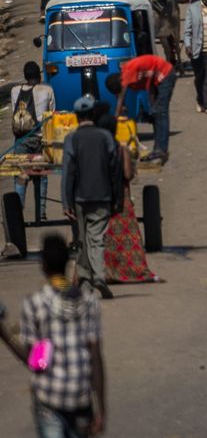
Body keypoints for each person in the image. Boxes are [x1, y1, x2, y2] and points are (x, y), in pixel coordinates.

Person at [0, 234, 107, 437]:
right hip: (81, 399)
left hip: (50, 400)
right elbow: (96, 358)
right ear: (68, 262)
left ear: (43, 266)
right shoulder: (89, 303)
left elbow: (37, 363)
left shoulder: (37, 305)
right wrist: (101, 409)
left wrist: (5, 334)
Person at [61, 95, 120, 299]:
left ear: (77, 117)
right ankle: (98, 277)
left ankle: (86, 279)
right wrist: (116, 197)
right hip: (102, 195)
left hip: (79, 197)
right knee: (96, 238)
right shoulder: (105, 137)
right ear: (93, 115)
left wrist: (66, 201)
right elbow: (115, 169)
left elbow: (68, 171)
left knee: (81, 239)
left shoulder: (71, 139)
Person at [100, 112, 160, 286]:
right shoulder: (121, 149)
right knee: (128, 237)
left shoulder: (94, 148)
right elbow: (127, 174)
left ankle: (105, 272)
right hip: (120, 198)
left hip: (98, 197)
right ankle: (130, 270)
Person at [11, 61, 56, 222]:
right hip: (40, 139)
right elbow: (51, 116)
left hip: (21, 139)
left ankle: (17, 213)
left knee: (21, 175)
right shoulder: (47, 90)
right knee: (41, 175)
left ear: (25, 76)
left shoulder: (15, 90)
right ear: (39, 74)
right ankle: (41, 214)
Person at [116, 54, 175, 164]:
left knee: (161, 113)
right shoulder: (129, 71)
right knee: (155, 113)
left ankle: (161, 150)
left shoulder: (127, 72)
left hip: (166, 74)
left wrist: (115, 119)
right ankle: (158, 149)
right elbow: (150, 83)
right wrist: (152, 106)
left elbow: (121, 96)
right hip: (158, 78)